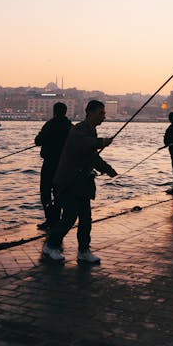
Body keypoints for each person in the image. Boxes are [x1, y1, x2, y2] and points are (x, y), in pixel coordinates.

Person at [42, 100, 117, 264]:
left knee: (85, 218)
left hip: (82, 183)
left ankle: (84, 250)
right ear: (90, 113)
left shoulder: (91, 131)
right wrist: (101, 142)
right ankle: (51, 245)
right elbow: (83, 143)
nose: (103, 116)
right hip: (69, 182)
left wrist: (108, 169)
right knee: (69, 217)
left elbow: (92, 156)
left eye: (104, 113)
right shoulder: (78, 130)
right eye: (101, 113)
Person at [34, 102, 72, 230]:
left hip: (50, 163)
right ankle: (58, 218)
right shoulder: (70, 126)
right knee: (58, 192)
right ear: (65, 112)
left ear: (54, 111)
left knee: (45, 191)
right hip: (64, 165)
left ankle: (50, 219)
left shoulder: (50, 124)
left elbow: (38, 141)